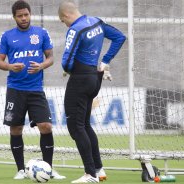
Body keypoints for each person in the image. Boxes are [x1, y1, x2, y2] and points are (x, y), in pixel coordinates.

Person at [0, 0, 65, 180]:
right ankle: (20, 169)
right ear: (14, 17)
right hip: (15, 90)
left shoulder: (41, 33)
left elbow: (50, 57)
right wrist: (10, 67)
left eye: (26, 14)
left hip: (36, 90)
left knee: (46, 126)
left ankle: (48, 168)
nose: (24, 18)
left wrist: (41, 65)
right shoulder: (7, 36)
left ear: (30, 14)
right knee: (16, 129)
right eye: (20, 16)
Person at [58, 1, 126, 183]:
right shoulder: (96, 22)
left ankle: (90, 175)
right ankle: (99, 169)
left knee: (76, 127)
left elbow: (66, 60)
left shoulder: (75, 29)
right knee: (85, 125)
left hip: (79, 79)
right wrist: (105, 61)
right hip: (94, 78)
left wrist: (67, 69)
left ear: (65, 16)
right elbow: (120, 37)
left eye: (62, 21)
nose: (64, 24)